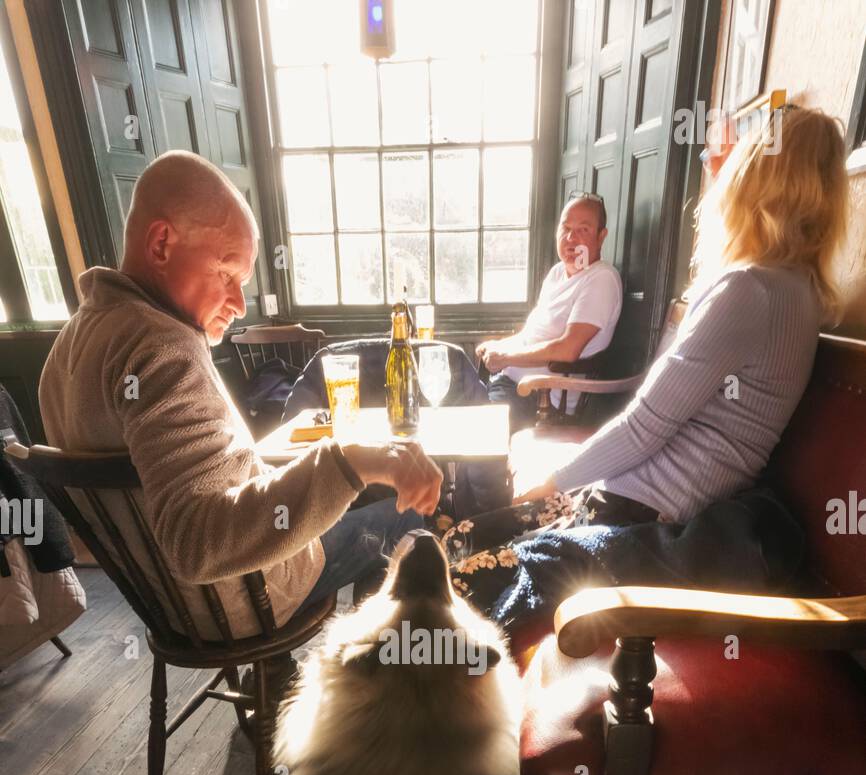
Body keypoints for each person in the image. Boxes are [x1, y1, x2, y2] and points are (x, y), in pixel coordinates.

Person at [451, 104, 850, 617]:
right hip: (653, 502)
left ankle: (415, 671)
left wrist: (552, 481)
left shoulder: (749, 289)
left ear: (756, 181)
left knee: (459, 563)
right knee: (465, 547)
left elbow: (645, 428)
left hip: (638, 514)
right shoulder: (800, 292)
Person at [39, 151, 442, 645]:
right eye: (227, 274)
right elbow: (196, 544)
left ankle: (279, 678)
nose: (239, 304)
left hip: (169, 609)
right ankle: (364, 682)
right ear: (162, 243)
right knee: (407, 514)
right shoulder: (160, 348)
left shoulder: (68, 347)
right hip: (242, 599)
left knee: (365, 491)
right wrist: (352, 463)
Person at [476, 195, 623, 430]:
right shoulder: (557, 273)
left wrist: (506, 358)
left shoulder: (601, 279)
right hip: (510, 383)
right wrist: (499, 344)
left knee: (475, 429)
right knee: (453, 373)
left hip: (539, 398)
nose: (571, 238)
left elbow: (568, 350)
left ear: (601, 236)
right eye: (565, 228)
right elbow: (531, 335)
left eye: (583, 230)